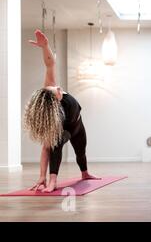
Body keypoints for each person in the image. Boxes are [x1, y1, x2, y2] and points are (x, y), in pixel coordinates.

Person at [24, 29, 99, 193]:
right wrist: (42, 178)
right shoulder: (53, 119)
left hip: (78, 125)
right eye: (55, 90)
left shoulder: (48, 91)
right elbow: (45, 148)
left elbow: (50, 64)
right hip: (66, 129)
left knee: (81, 150)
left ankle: (85, 173)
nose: (57, 87)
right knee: (55, 146)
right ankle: (53, 181)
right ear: (55, 101)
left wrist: (45, 47)